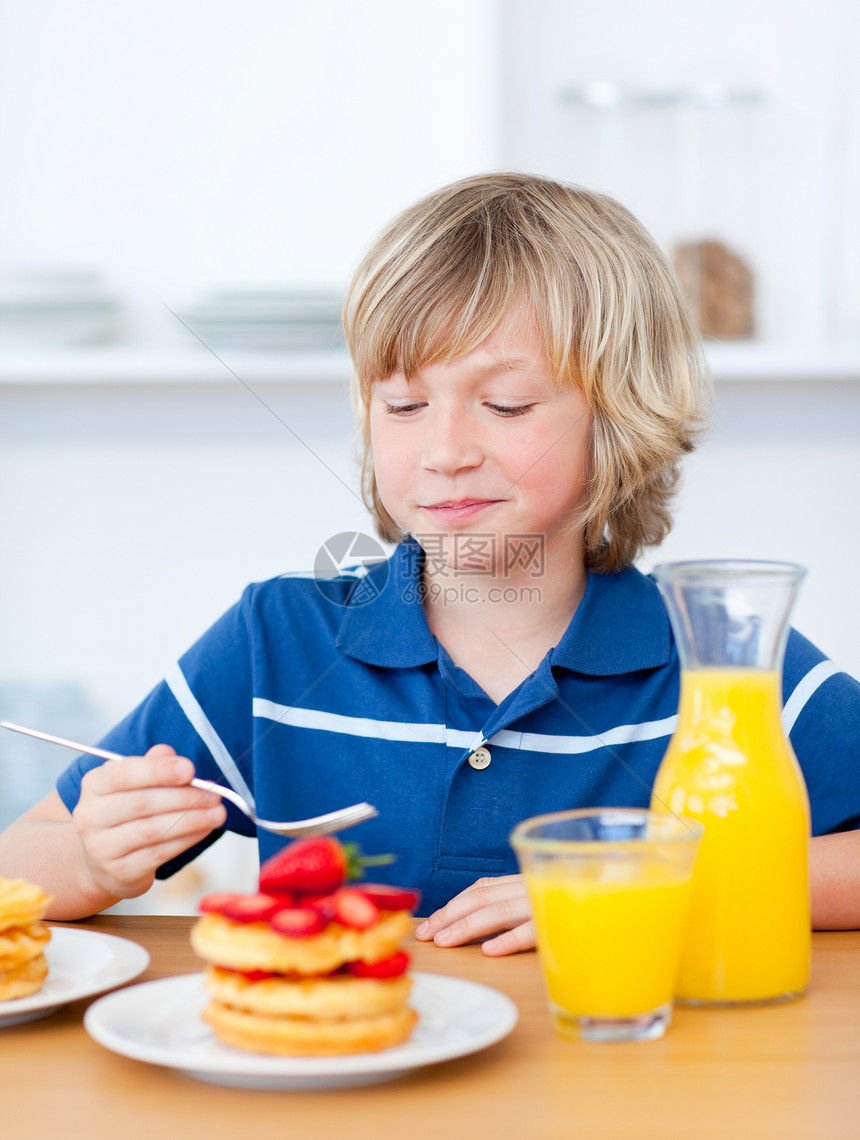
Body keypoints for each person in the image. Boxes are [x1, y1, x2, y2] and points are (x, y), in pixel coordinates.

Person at [1, 173, 859, 951]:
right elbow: (22, 858)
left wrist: (649, 886)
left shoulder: (723, 660)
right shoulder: (278, 642)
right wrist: (91, 860)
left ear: (620, 418)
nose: (445, 449)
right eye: (405, 404)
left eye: (505, 403)